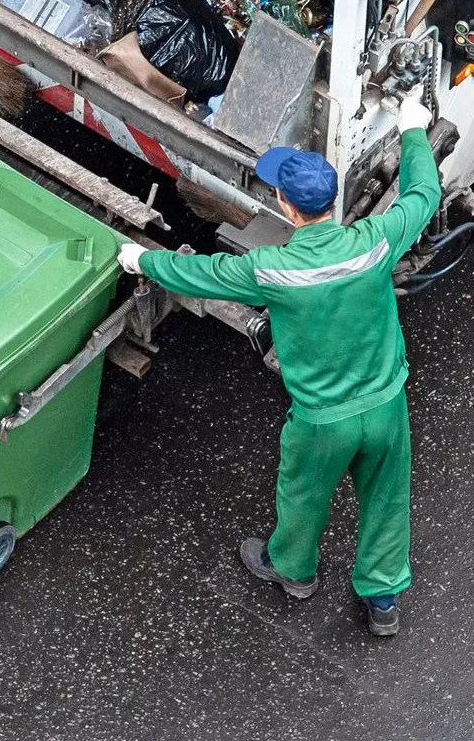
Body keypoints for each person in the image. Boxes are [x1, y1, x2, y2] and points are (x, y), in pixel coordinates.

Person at [118, 95, 440, 636]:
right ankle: (383, 599)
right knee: (387, 500)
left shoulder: (272, 269)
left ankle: (294, 572)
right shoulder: (376, 242)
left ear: (287, 208)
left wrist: (142, 259)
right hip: (386, 406)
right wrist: (412, 131)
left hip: (321, 421)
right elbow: (423, 194)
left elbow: (203, 275)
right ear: (332, 201)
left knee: (303, 495)